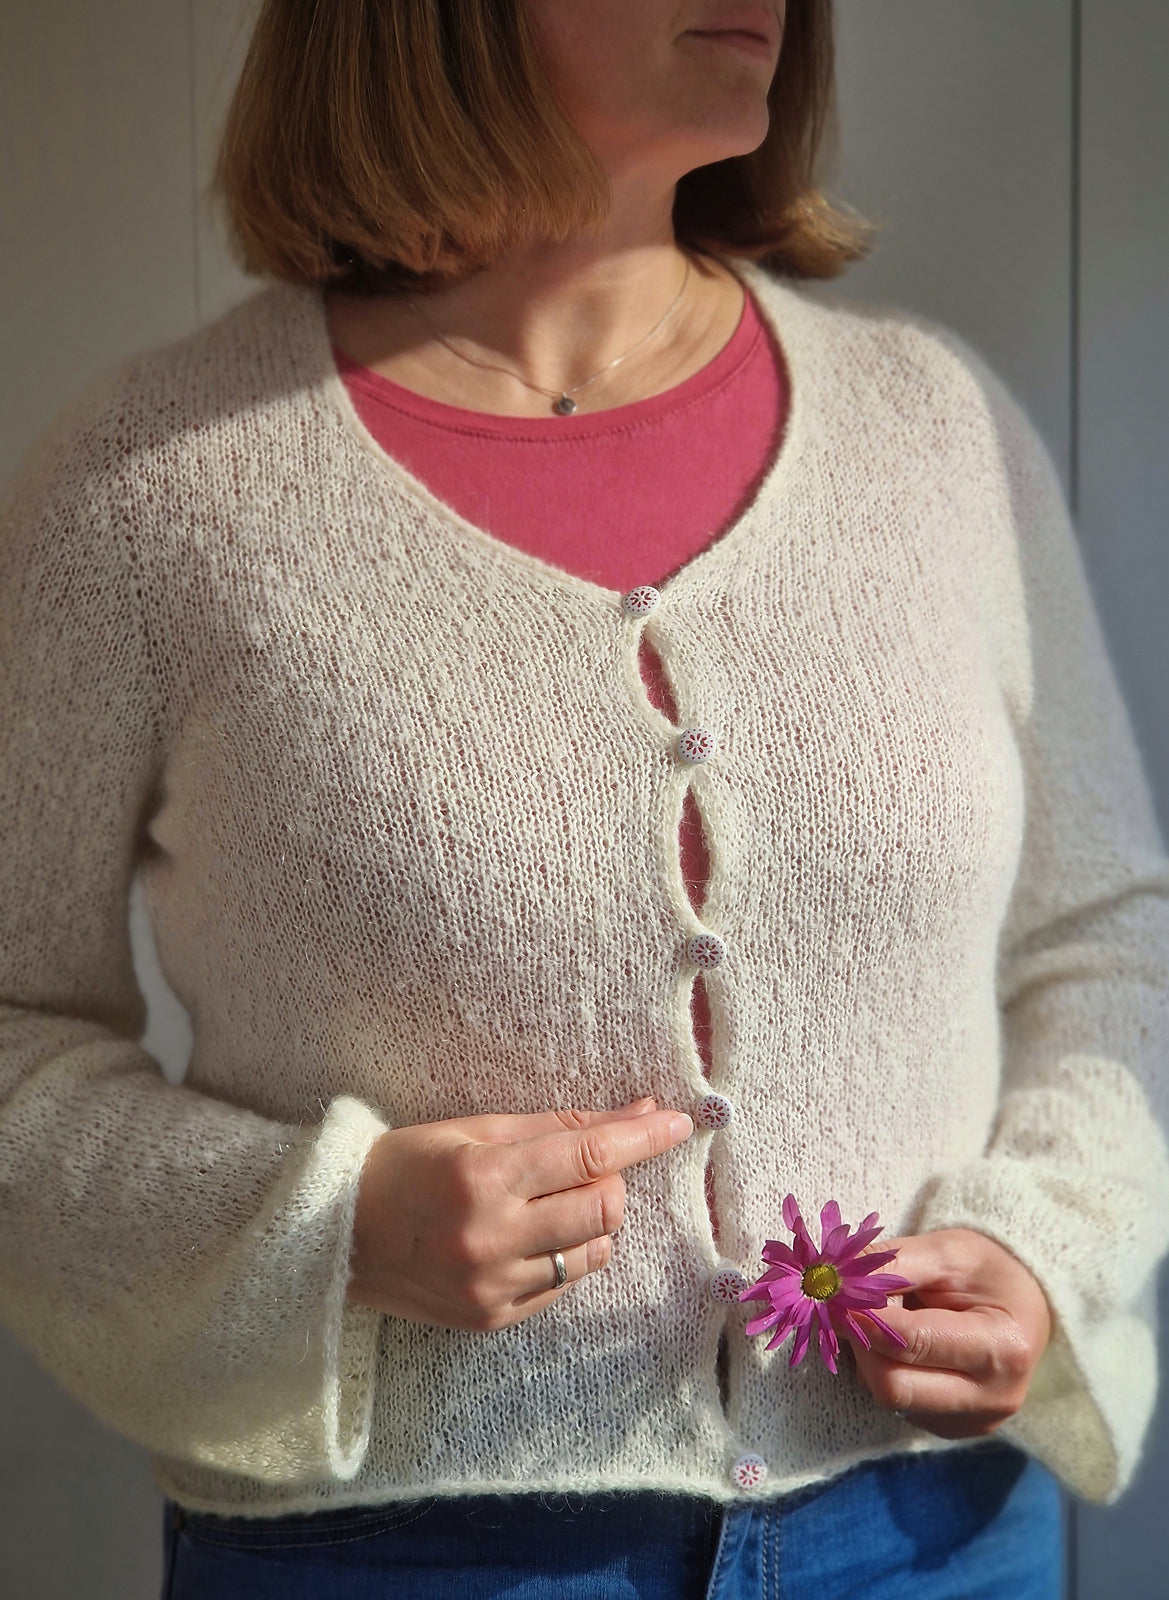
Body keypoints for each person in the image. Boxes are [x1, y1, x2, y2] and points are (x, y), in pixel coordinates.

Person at [1, 1, 1167, 1596]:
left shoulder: (933, 436)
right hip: (407, 1560)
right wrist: (326, 1229)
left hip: (932, 1538)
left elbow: (1106, 940)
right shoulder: (154, 489)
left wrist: (1045, 1238)